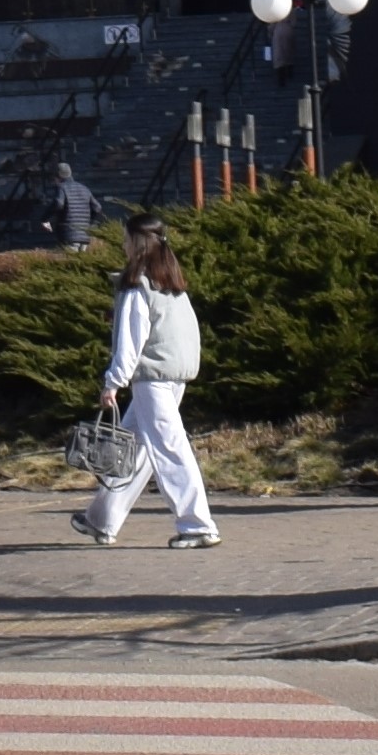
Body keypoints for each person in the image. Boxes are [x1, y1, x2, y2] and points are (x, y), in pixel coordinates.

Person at [83, 221, 214, 549]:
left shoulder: (136, 284)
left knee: (169, 449)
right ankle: (101, 519)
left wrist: (112, 382)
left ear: (136, 242)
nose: (123, 244)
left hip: (152, 378)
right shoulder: (170, 283)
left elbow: (131, 341)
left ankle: (197, 524)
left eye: (126, 238)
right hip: (175, 375)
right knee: (136, 448)